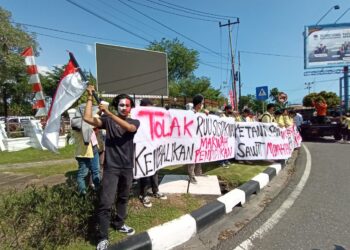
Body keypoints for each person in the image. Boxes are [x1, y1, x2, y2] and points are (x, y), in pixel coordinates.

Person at [83, 85, 140, 250]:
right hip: (111, 168)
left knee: (123, 198)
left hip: (127, 167)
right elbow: (87, 118)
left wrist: (108, 113)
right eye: (121, 105)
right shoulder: (108, 121)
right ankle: (103, 237)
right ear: (117, 106)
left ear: (130, 108)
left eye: (127, 105)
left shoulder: (134, 121)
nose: (124, 107)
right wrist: (88, 97)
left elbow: (129, 128)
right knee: (106, 203)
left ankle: (119, 223)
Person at [138, 98, 167, 208]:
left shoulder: (155, 118)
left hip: (154, 148)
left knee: (155, 170)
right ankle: (143, 194)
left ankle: (155, 190)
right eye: (148, 107)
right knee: (144, 172)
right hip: (143, 150)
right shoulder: (137, 118)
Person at [71, 106, 100, 195]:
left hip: (94, 150)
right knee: (83, 174)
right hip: (83, 153)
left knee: (96, 171)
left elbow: (96, 123)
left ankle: (98, 192)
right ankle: (82, 194)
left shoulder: (89, 120)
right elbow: (87, 124)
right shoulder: (76, 122)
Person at [187, 94, 205, 184]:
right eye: (202, 103)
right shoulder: (191, 113)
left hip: (198, 139)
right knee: (192, 158)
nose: (203, 105)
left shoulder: (199, 114)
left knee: (198, 156)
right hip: (191, 140)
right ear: (198, 104)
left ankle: (198, 172)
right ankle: (191, 175)